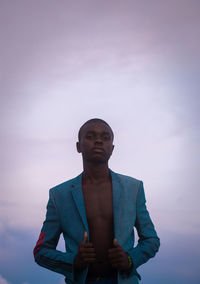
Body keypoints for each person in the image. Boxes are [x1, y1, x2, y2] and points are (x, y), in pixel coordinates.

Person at [33, 118, 160, 284]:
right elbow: (41, 251)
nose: (99, 141)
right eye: (90, 136)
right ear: (78, 146)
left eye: (105, 137)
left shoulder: (133, 189)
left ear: (112, 149)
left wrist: (129, 259)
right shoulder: (59, 195)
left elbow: (151, 240)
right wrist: (74, 261)